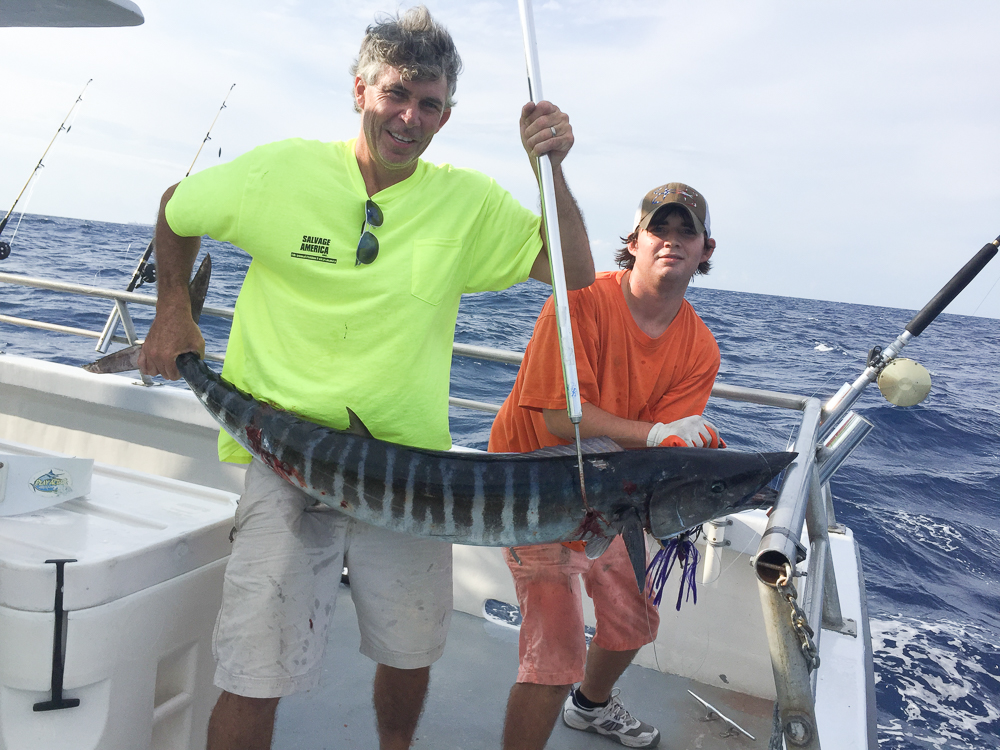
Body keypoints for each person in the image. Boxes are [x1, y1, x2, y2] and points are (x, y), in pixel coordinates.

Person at [137, 7, 595, 750]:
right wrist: (170, 314)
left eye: (429, 103)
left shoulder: (469, 202)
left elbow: (575, 277)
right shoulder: (281, 170)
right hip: (284, 453)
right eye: (395, 94)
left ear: (447, 116)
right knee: (256, 670)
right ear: (360, 90)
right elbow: (176, 207)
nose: (409, 117)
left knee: (409, 654)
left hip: (412, 478)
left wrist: (554, 170)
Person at [488, 182, 722, 749]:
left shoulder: (701, 348)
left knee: (633, 622)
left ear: (705, 250)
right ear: (634, 242)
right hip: (532, 486)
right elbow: (555, 422)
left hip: (610, 495)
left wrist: (680, 450)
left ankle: (589, 707)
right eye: (657, 229)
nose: (670, 240)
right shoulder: (579, 301)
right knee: (555, 656)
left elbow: (658, 456)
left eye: (685, 231)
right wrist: (656, 434)